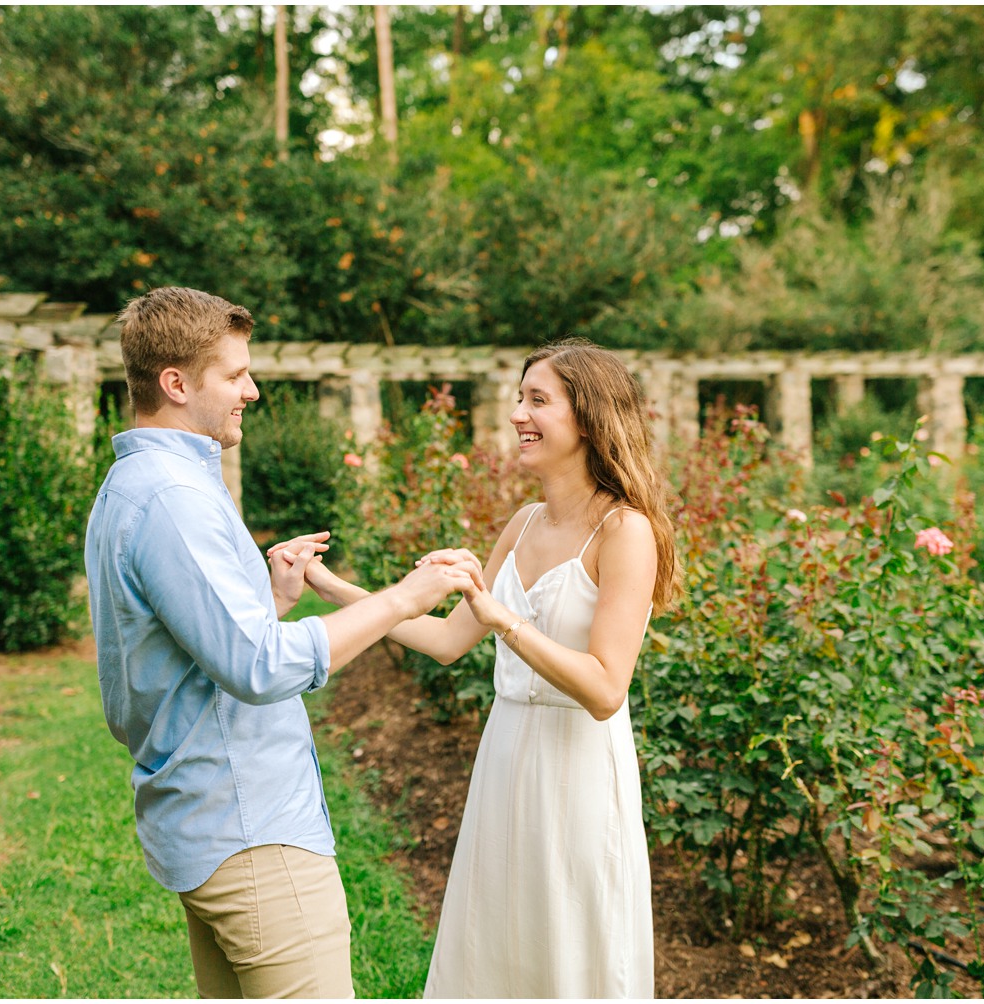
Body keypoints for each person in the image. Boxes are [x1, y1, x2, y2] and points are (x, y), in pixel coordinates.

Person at [84, 286, 479, 999]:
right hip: (252, 835)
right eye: (234, 375)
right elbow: (260, 668)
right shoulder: (176, 498)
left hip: (207, 822)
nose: (253, 390)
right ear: (175, 384)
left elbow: (188, 654)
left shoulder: (134, 485)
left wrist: (269, 603)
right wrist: (404, 599)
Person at [291, 337, 683, 998]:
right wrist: (334, 589)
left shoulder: (626, 531)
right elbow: (446, 638)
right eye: (518, 399)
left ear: (586, 418)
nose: (517, 415)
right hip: (508, 755)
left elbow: (605, 688)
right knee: (498, 945)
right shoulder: (525, 523)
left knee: (571, 949)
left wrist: (507, 621)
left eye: (537, 401)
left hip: (577, 769)